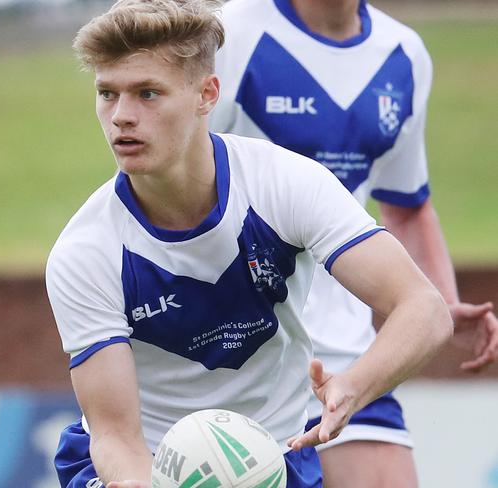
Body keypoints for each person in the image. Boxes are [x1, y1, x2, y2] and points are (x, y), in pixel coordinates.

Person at [46, 1, 453, 487]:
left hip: (272, 458)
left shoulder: (287, 184)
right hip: (142, 467)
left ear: (207, 93)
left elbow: (424, 309)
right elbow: (115, 437)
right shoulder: (85, 252)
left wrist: (354, 387)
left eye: (148, 94)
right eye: (107, 94)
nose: (122, 117)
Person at [209, 0, 498, 486]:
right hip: (239, 352)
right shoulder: (230, 33)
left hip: (345, 357)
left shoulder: (404, 54)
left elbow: (406, 204)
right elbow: (174, 175)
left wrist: (441, 304)